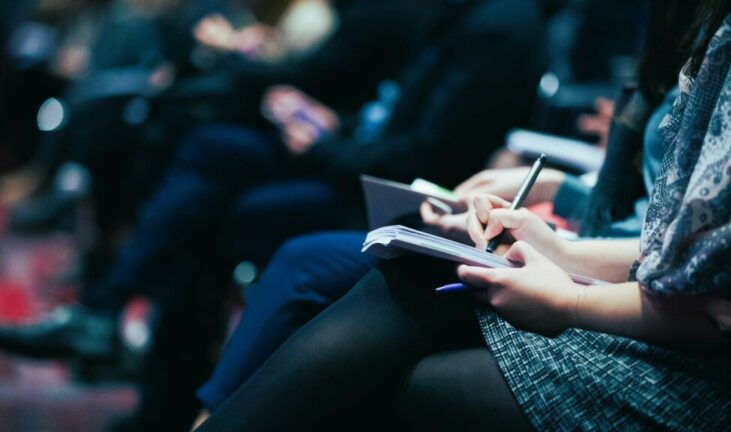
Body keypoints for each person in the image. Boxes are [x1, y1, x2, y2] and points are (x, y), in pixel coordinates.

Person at [198, 0, 731, 429]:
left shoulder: (501, 23)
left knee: (381, 357)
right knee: (396, 276)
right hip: (658, 298)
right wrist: (562, 248)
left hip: (719, 375)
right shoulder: (721, 20)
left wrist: (571, 292)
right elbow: (688, 252)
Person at [0, 0, 548, 429]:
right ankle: (143, 367)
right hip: (366, 165)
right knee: (200, 155)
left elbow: (420, 155)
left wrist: (320, 140)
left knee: (218, 216)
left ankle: (163, 386)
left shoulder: (489, 23)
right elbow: (386, 113)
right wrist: (328, 125)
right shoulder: (453, 14)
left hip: (408, 199)